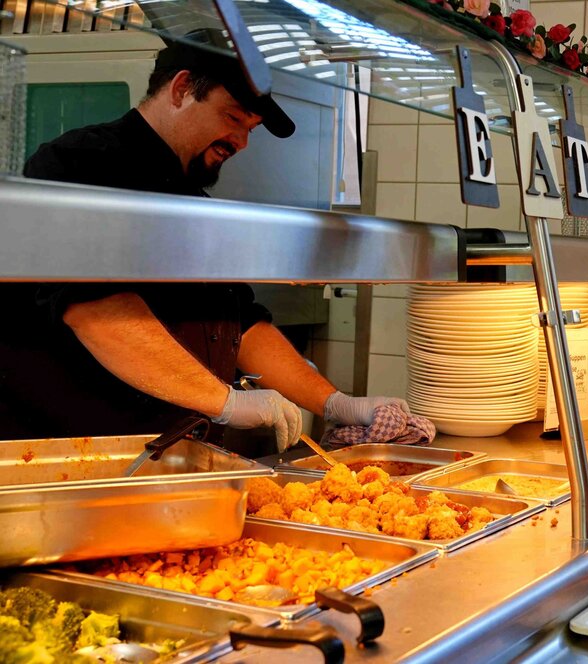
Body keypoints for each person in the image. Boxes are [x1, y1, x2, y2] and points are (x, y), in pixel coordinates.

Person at [3, 29, 404, 451]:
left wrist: (335, 403)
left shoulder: (193, 201)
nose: (242, 142)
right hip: (77, 458)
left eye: (251, 129)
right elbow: (97, 310)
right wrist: (226, 401)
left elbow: (242, 324)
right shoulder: (80, 162)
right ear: (180, 90)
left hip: (171, 457)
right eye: (233, 118)